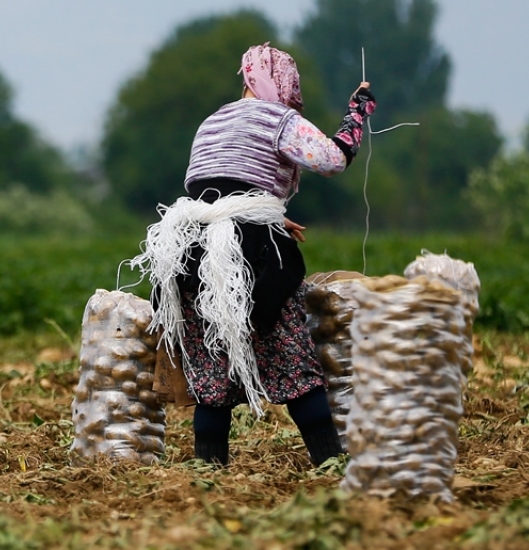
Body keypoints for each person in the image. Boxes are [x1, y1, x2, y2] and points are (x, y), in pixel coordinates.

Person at [134, 42, 376, 467]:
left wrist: (273, 217)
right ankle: (330, 464)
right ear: (283, 85)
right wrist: (358, 112)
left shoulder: (213, 120)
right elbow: (333, 160)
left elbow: (218, 191)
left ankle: (209, 473)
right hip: (250, 257)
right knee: (292, 361)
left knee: (213, 376)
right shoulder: (279, 118)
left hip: (192, 256)